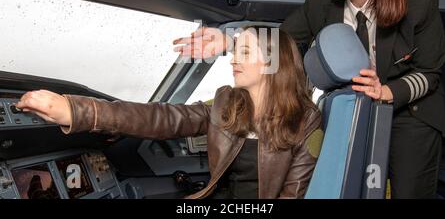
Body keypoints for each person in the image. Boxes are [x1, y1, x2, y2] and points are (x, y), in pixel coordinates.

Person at [173, 0, 445, 198]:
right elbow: (282, 41)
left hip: (408, 112)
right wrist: (230, 42)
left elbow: (429, 73)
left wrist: (387, 92)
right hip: (351, 108)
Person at [16, 26, 322, 199]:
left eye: (244, 52)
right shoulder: (227, 102)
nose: (232, 61)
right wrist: (77, 111)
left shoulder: (306, 122)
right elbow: (164, 119)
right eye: (235, 52)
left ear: (272, 62)